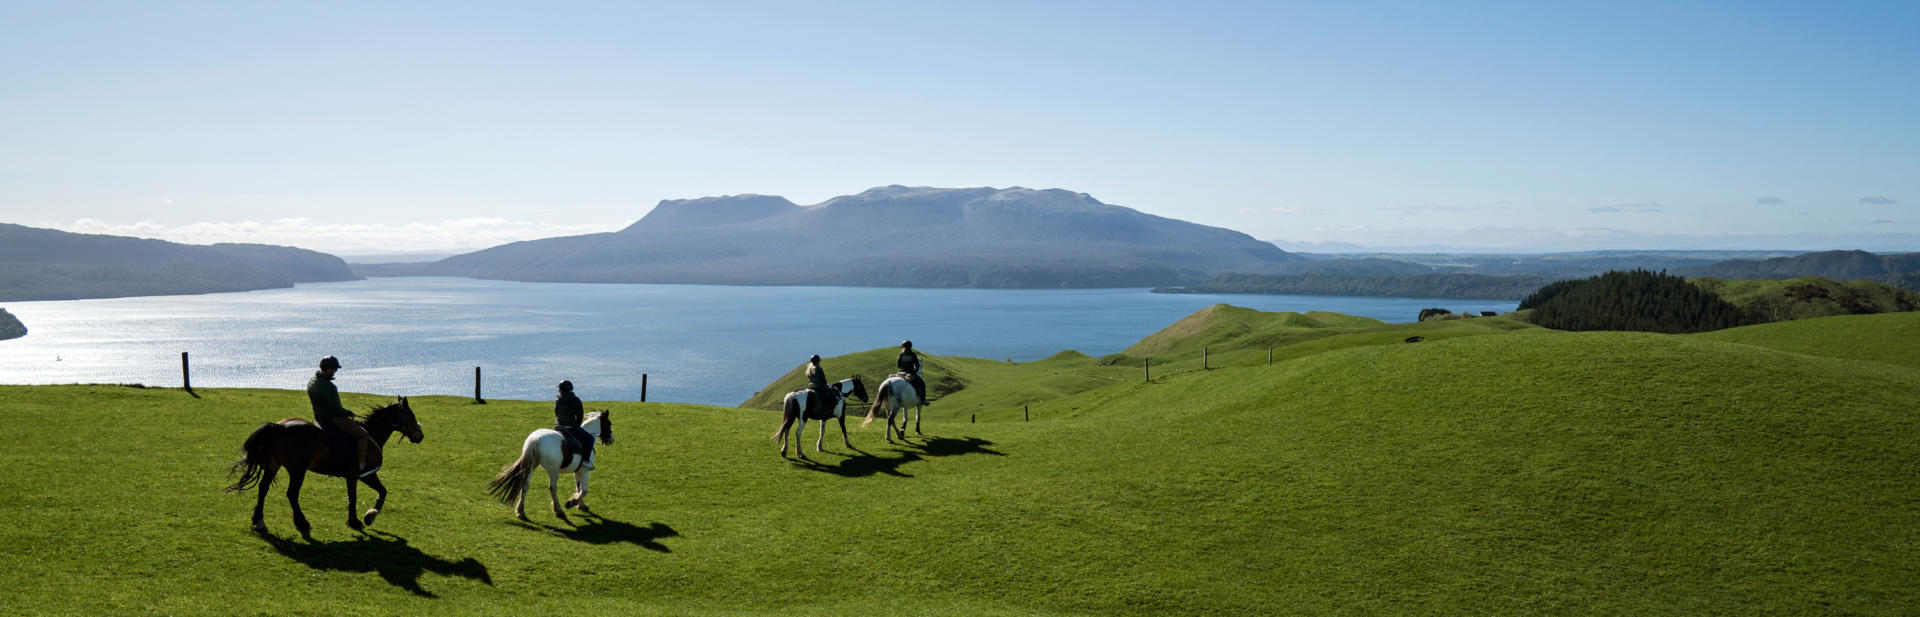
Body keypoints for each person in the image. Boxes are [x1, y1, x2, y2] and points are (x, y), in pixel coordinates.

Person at [306, 355, 379, 477]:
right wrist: (349, 413)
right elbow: (336, 410)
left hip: (319, 417)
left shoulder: (313, 380)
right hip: (333, 418)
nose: (335, 371)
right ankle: (361, 465)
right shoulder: (329, 386)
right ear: (329, 369)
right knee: (363, 434)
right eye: (334, 369)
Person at [553, 380, 594, 470]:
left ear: (561, 390)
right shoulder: (576, 400)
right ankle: (585, 461)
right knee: (590, 439)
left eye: (559, 388)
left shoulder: (557, 400)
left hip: (559, 427)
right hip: (572, 427)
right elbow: (580, 415)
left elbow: (556, 413)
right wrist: (577, 426)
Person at [897, 340, 929, 404]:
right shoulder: (913, 355)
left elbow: (898, 365)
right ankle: (922, 400)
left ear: (903, 347)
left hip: (901, 373)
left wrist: (903, 368)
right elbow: (917, 366)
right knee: (922, 384)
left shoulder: (901, 354)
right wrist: (914, 371)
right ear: (910, 347)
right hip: (910, 373)